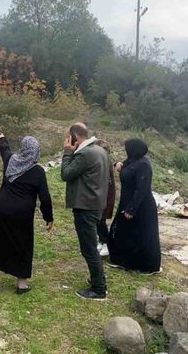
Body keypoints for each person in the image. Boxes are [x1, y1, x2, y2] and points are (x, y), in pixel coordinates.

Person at [0, 134, 53, 294]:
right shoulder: (38, 172)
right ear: (36, 152)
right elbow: (45, 198)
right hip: (22, 216)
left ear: (23, 148)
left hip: (0, 210)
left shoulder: (11, 161)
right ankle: (21, 285)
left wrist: (2, 138)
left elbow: (5, 150)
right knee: (22, 245)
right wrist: (48, 218)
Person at [61, 123, 110, 300]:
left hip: (86, 206)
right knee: (91, 246)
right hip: (96, 204)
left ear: (75, 136)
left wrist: (67, 152)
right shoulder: (99, 150)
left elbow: (66, 174)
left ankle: (99, 289)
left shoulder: (85, 153)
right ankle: (98, 280)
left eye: (68, 136)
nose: (67, 139)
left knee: (88, 248)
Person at [108, 139, 161, 274]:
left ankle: (147, 266)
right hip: (127, 202)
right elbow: (125, 167)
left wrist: (132, 209)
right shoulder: (132, 161)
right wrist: (117, 164)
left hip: (141, 206)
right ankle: (123, 261)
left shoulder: (144, 165)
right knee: (123, 232)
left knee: (142, 236)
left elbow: (141, 189)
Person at [94, 139, 116, 257]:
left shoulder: (105, 161)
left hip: (105, 194)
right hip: (100, 194)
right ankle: (102, 241)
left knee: (101, 220)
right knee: (98, 220)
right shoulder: (102, 160)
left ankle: (106, 243)